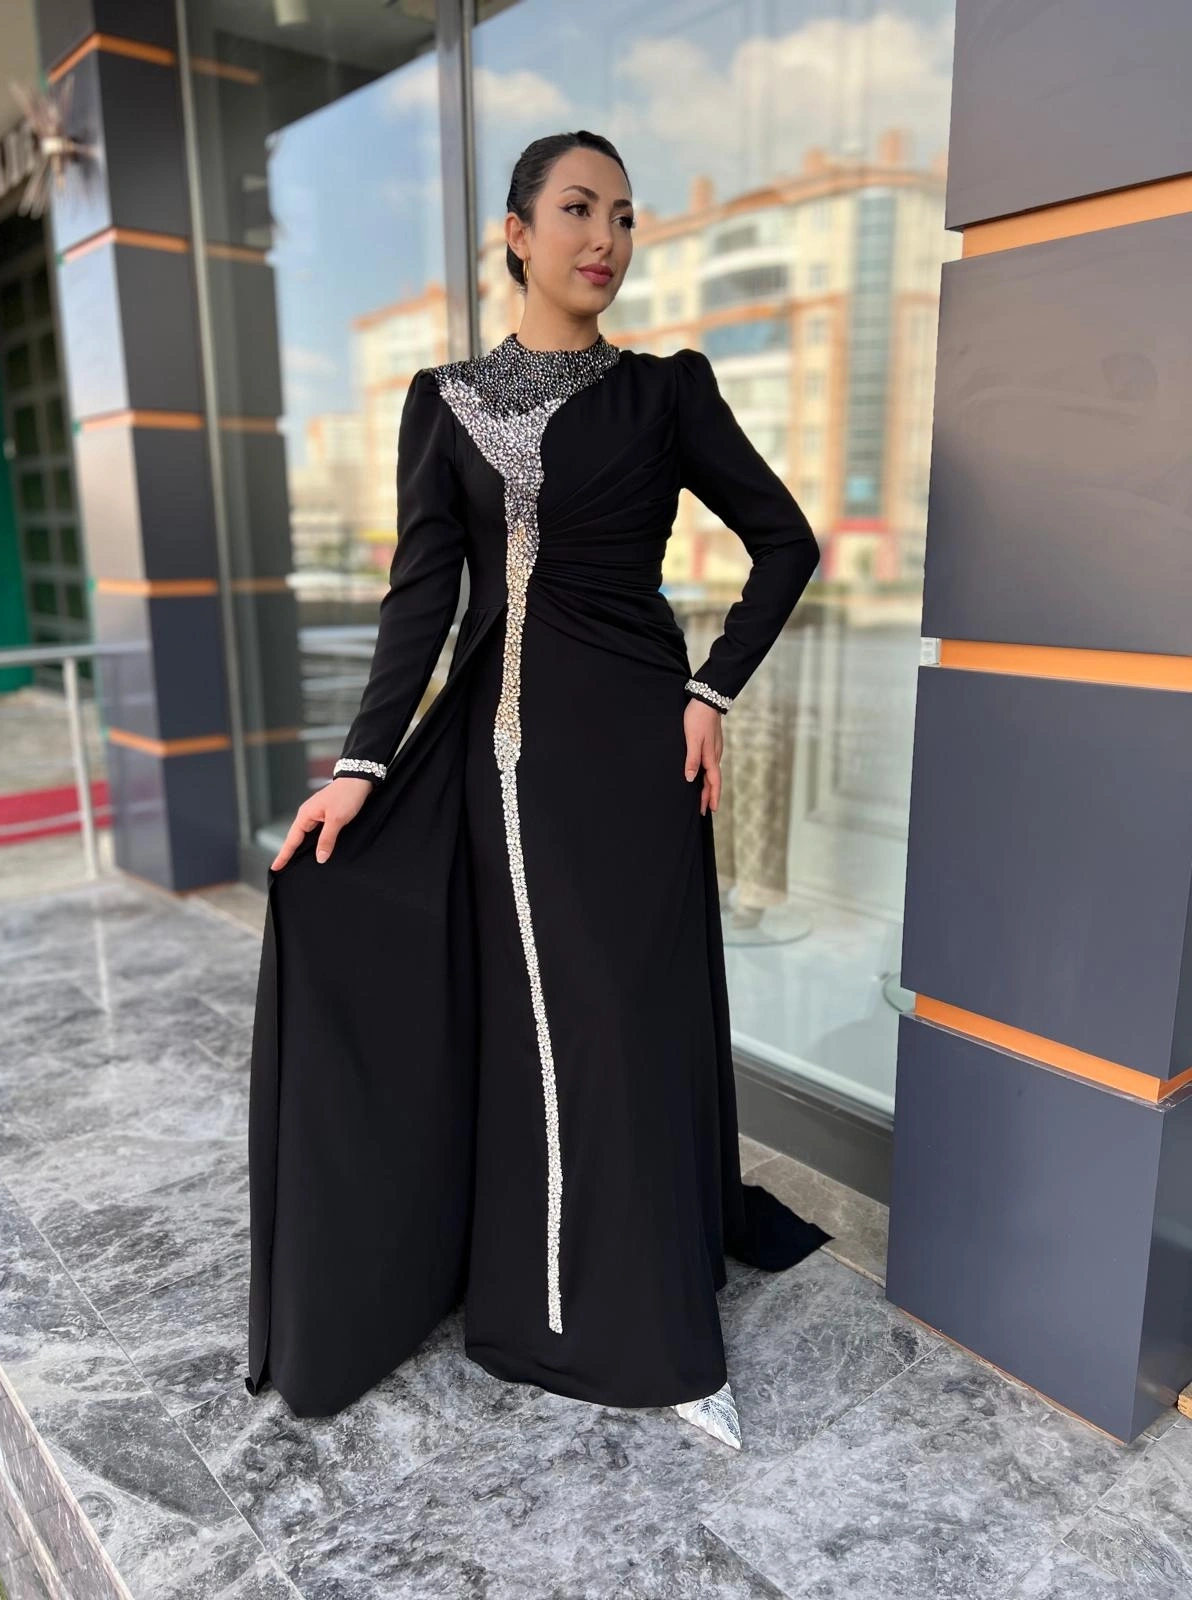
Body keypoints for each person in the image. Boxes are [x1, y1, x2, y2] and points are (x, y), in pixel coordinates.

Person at [245, 129, 832, 1453]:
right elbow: (420, 600)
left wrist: (712, 690)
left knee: (626, 1023)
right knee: (529, 1026)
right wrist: (358, 770)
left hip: (632, 762)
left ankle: (646, 1315)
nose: (605, 240)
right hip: (489, 773)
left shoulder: (666, 393)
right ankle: (532, 1270)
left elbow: (786, 542)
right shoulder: (441, 401)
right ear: (515, 234)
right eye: (577, 210)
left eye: (623, 216)